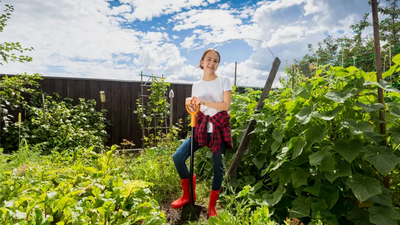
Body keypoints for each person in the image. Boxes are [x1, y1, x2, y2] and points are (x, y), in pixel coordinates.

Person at [171, 48, 233, 218]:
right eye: (209, 59)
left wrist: (204, 101)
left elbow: (226, 106)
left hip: (218, 129)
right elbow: (196, 109)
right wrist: (190, 103)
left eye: (216, 61)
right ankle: (188, 195)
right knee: (178, 157)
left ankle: (212, 207)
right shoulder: (196, 85)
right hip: (201, 128)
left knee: (217, 168)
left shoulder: (224, 81)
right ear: (201, 62)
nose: (212, 63)